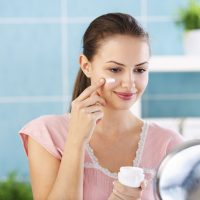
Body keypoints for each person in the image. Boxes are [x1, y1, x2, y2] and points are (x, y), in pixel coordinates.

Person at [19, 13, 184, 200]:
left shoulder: (168, 144)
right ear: (86, 66)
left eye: (140, 70)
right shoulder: (47, 135)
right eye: (115, 69)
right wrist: (75, 140)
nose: (130, 83)